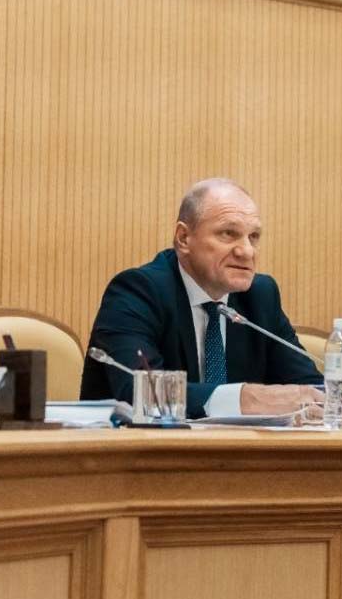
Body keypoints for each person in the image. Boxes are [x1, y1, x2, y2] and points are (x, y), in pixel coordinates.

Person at [79, 178, 323, 419]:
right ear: (184, 238)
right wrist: (243, 398)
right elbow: (141, 393)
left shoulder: (260, 296)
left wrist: (335, 399)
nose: (247, 251)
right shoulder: (138, 291)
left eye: (254, 237)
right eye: (228, 233)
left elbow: (311, 389)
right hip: (141, 445)